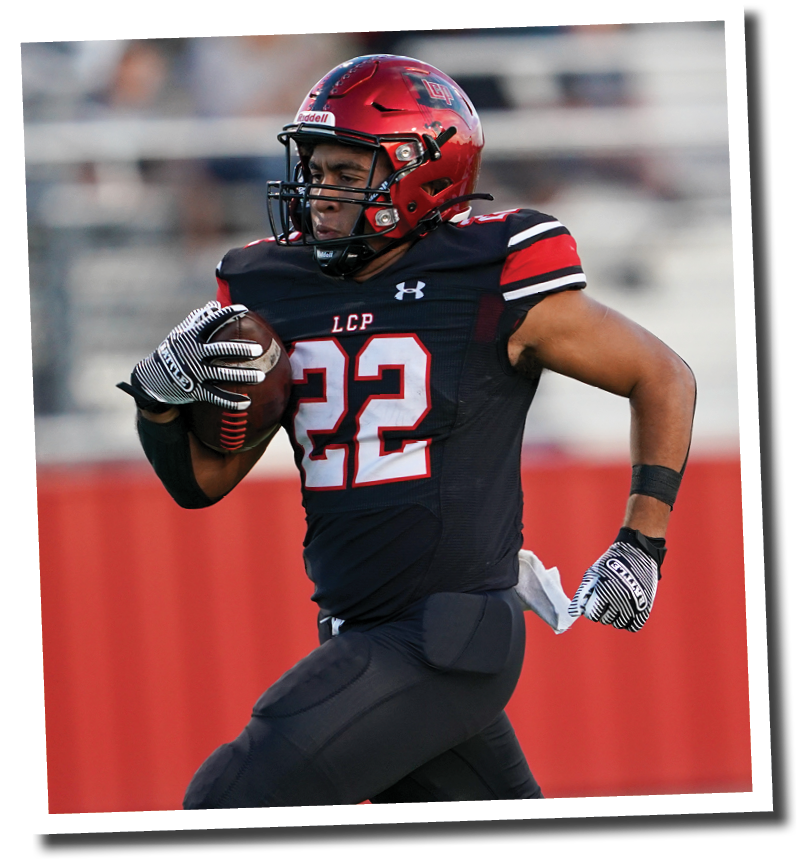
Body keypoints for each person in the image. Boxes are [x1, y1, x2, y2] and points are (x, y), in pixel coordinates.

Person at [118, 54, 696, 807]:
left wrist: (641, 544)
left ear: (422, 172)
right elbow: (203, 483)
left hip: (446, 633)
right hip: (363, 632)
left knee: (228, 802)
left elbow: (662, 375)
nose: (319, 192)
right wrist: (159, 405)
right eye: (314, 169)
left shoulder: (488, 272)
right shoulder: (274, 287)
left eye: (346, 172)